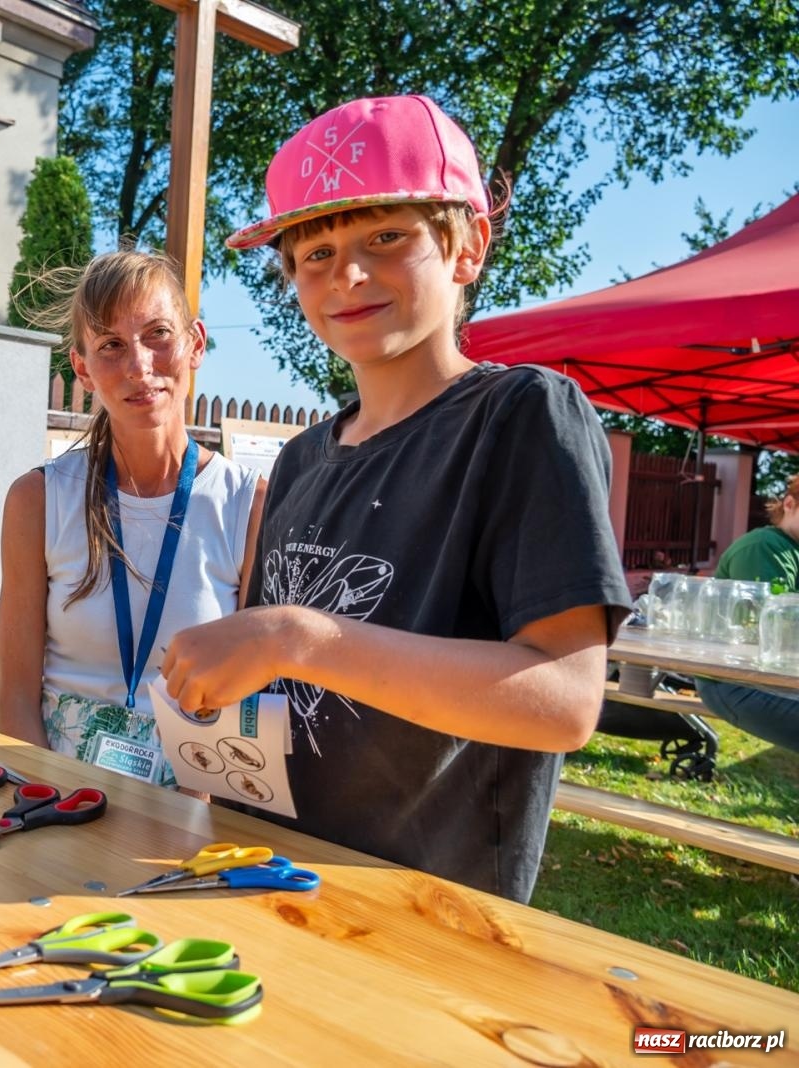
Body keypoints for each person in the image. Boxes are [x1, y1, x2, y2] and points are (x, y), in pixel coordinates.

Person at [158, 96, 632, 903]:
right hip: (263, 873)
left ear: (467, 247)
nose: (346, 273)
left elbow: (564, 702)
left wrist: (294, 637)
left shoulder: (521, 415)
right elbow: (278, 690)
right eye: (314, 252)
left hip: (428, 907)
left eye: (387, 237)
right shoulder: (304, 457)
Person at [0, 251, 267, 787]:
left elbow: (251, 706)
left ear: (196, 343)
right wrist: (44, 807)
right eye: (111, 346)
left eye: (158, 334)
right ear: (82, 368)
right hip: (57, 799)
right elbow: (15, 706)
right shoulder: (37, 500)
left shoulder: (248, 503)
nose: (140, 366)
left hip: (195, 811)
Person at [692, 476, 799, 751]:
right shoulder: (764, 546)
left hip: (776, 677)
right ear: (789, 504)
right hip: (737, 682)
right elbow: (778, 631)